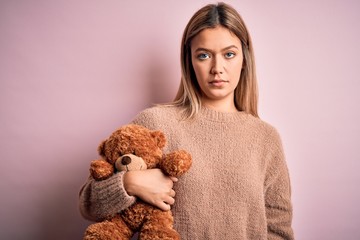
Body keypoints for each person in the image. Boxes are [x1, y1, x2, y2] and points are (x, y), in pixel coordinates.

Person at [79, 2, 294, 239]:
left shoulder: (266, 138)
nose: (217, 68)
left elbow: (278, 229)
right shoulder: (156, 123)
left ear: (244, 59)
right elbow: (88, 203)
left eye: (229, 54)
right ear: (190, 61)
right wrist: (130, 182)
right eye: (204, 55)